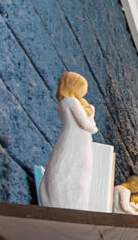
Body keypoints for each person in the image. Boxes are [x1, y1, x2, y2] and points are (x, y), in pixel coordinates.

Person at [41, 71, 98, 210]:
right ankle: (69, 204)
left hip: (71, 137)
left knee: (67, 166)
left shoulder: (63, 102)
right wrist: (92, 115)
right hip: (77, 140)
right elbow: (86, 125)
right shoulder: (72, 102)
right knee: (75, 170)